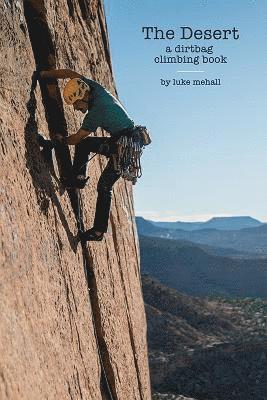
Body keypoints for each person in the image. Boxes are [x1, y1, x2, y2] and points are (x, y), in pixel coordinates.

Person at [38, 69, 136, 242]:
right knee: (86, 147)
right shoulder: (91, 87)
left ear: (83, 96)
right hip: (124, 141)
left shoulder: (97, 112)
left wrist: (59, 141)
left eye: (77, 104)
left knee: (105, 187)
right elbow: (70, 73)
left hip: (123, 147)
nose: (76, 108)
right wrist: (45, 75)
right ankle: (79, 177)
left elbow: (77, 138)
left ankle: (98, 232)